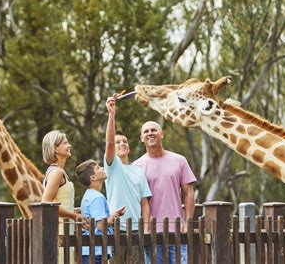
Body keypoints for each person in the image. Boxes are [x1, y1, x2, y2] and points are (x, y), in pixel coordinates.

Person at [133, 121, 197, 264]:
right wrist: (144, 227)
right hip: (151, 231)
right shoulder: (136, 166)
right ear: (142, 138)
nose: (150, 133)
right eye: (146, 131)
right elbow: (136, 200)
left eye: (153, 130)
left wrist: (188, 222)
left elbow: (189, 193)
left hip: (178, 229)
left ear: (161, 134)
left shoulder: (179, 160)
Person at [104, 94, 152, 262]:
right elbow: (109, 143)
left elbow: (145, 203)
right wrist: (111, 115)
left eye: (124, 141)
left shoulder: (138, 171)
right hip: (116, 229)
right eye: (118, 142)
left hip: (136, 231)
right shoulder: (112, 167)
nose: (122, 144)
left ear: (129, 147)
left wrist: (145, 227)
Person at [41, 130, 88, 263]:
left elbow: (62, 204)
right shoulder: (56, 173)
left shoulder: (58, 172)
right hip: (61, 229)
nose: (69, 145)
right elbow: (46, 204)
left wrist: (77, 211)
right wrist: (74, 216)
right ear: (55, 148)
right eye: (65, 143)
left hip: (66, 228)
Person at [76, 159, 126, 264]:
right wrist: (114, 216)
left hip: (89, 250)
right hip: (96, 251)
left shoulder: (89, 195)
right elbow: (100, 225)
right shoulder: (97, 197)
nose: (102, 168)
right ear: (93, 177)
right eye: (98, 168)